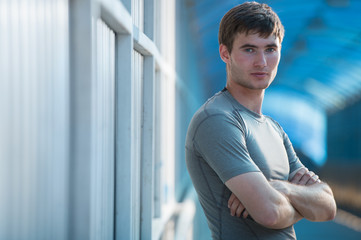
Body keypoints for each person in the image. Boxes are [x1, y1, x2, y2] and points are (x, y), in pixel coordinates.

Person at [185, 2, 337, 239]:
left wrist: (279, 187)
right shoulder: (217, 119)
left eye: (270, 49)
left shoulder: (274, 129)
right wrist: (302, 202)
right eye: (249, 49)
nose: (262, 62)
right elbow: (270, 213)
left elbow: (328, 206)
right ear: (225, 53)